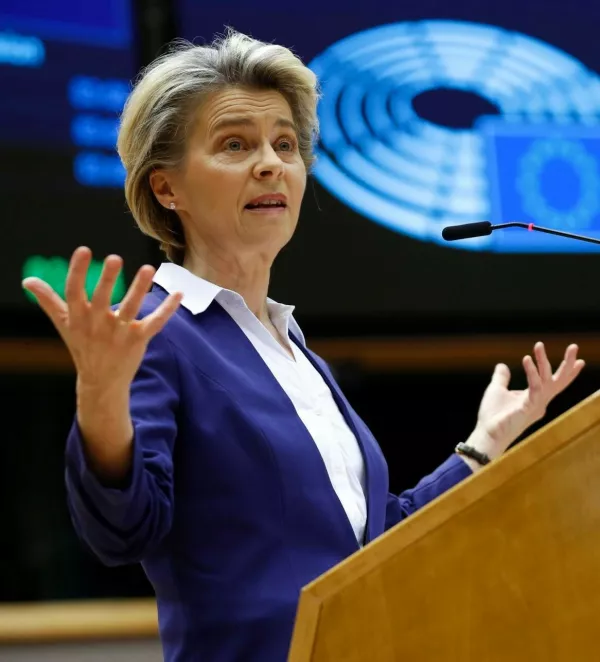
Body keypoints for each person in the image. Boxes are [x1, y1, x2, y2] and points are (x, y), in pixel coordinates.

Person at [22, 29, 585, 662]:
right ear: (166, 189)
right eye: (235, 144)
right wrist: (100, 398)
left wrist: (483, 446)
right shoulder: (158, 335)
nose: (271, 162)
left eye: (285, 144)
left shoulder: (296, 354)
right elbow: (121, 533)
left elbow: (373, 552)